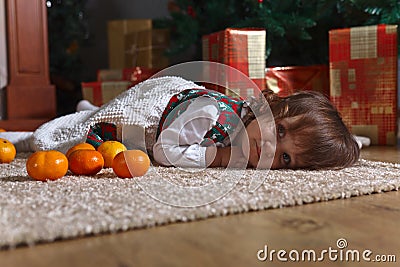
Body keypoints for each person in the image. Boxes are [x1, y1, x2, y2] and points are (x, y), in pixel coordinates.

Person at [0, 76, 360, 170]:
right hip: (152, 114)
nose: (268, 148)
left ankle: (91, 105)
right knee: (71, 138)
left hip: (177, 110)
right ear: (273, 108)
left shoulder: (248, 133)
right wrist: (217, 156)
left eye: (284, 158)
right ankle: (86, 112)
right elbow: (164, 149)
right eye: (278, 132)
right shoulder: (211, 114)